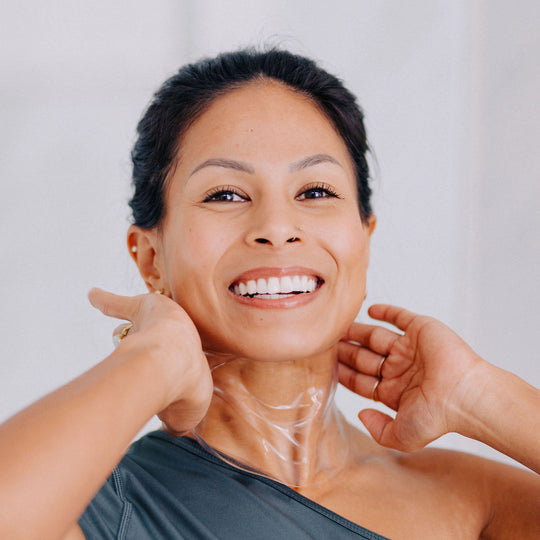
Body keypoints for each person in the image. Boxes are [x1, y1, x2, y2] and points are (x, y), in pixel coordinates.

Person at [0, 49, 539, 540]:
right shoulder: (107, 512)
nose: (278, 227)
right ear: (149, 257)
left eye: (315, 191)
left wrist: (482, 397)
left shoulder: (472, 504)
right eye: (226, 194)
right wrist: (153, 358)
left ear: (364, 238)